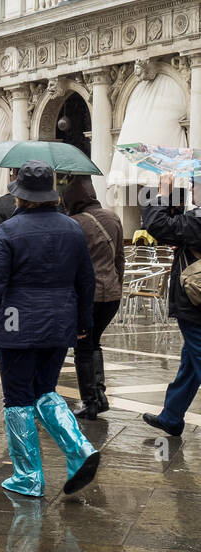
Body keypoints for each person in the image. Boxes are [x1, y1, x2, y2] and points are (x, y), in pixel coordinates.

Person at [0, 160, 99, 497]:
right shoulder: (73, 229)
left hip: (17, 326)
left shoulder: (9, 231)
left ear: (20, 196)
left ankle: (28, 477)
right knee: (45, 390)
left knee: (17, 399)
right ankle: (79, 450)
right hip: (59, 324)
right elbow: (87, 282)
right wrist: (83, 325)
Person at [139, 172, 201, 437]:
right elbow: (174, 226)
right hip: (195, 301)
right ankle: (172, 416)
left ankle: (172, 416)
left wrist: (163, 192)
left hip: (195, 302)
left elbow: (157, 225)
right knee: (190, 362)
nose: (192, 189)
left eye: (195, 185)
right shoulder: (195, 220)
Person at [60, 175, 124, 419]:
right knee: (93, 342)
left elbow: (69, 264)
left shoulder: (74, 223)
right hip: (112, 294)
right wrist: (118, 284)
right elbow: (120, 258)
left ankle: (91, 402)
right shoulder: (113, 218)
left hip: (88, 296)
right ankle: (99, 394)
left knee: (83, 347)